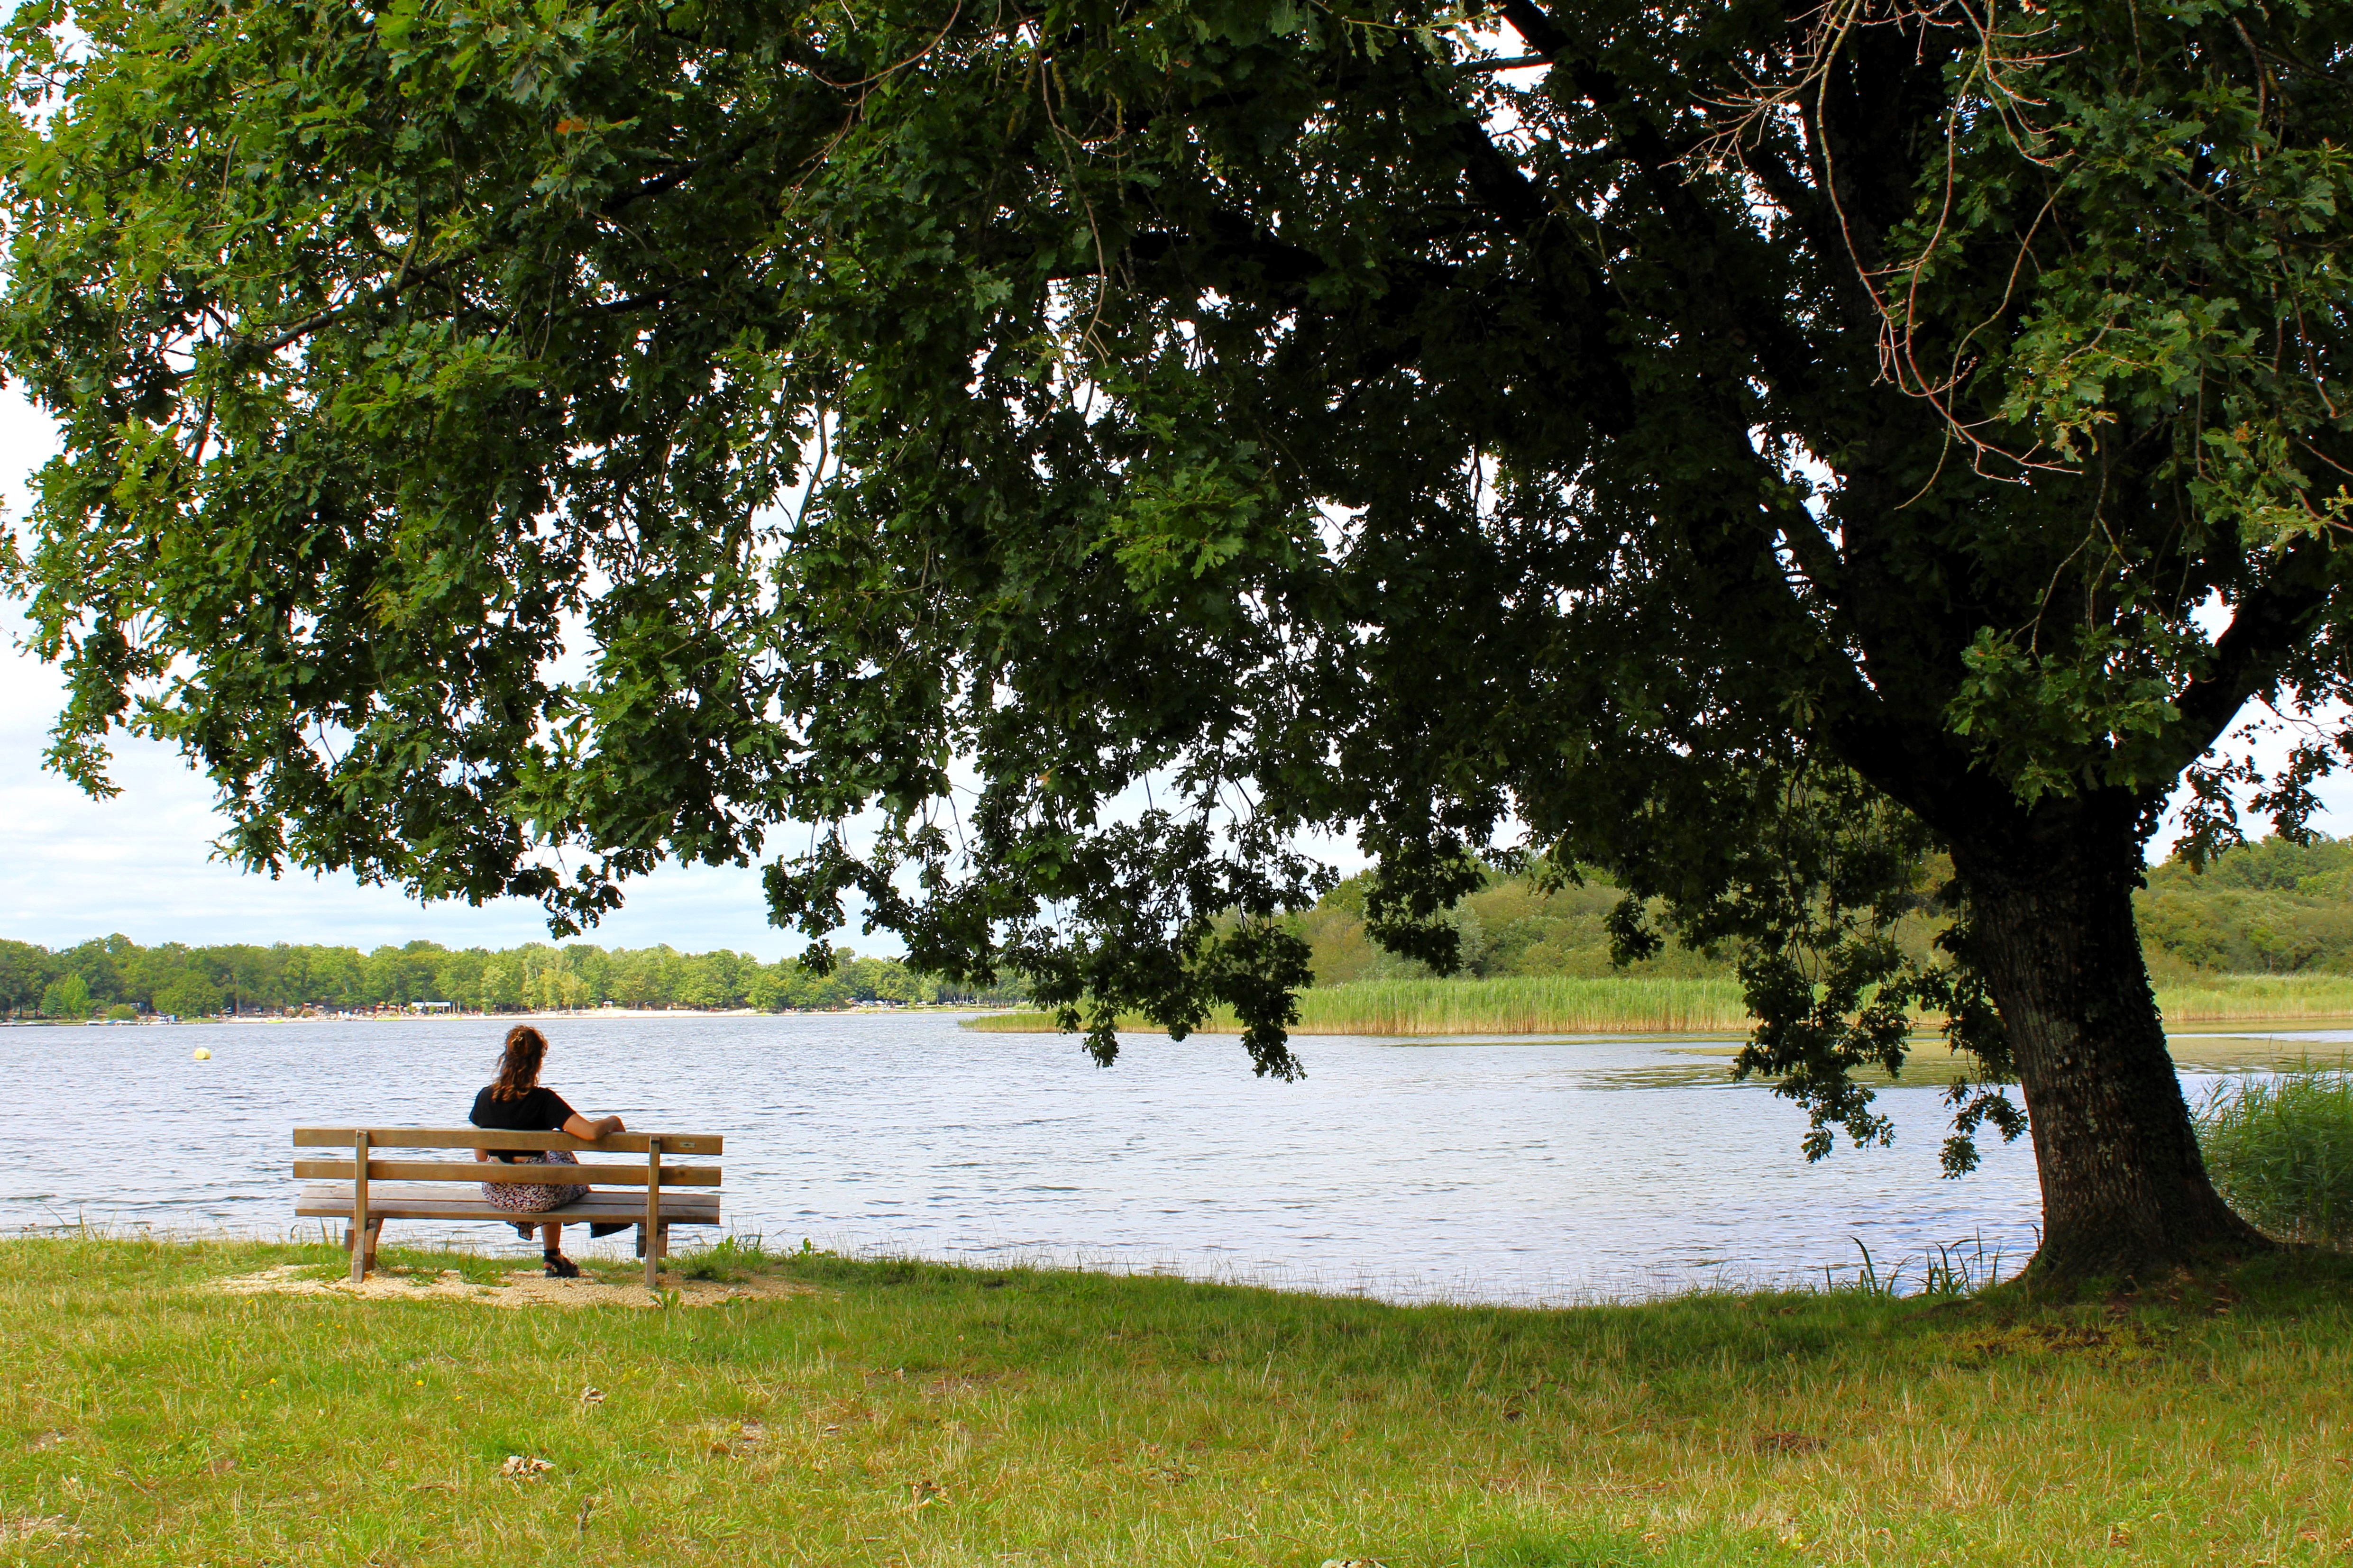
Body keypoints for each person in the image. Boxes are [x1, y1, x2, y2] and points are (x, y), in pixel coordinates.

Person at [470, 1025, 628, 1277]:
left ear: (506, 1059)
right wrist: (613, 1121)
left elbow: (480, 1157)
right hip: (538, 1196)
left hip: (499, 1193)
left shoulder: (484, 1097)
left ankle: (553, 1256)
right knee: (556, 1162)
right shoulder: (543, 1100)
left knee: (554, 1160)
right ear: (537, 1063)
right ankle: (584, 1230)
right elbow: (589, 1133)